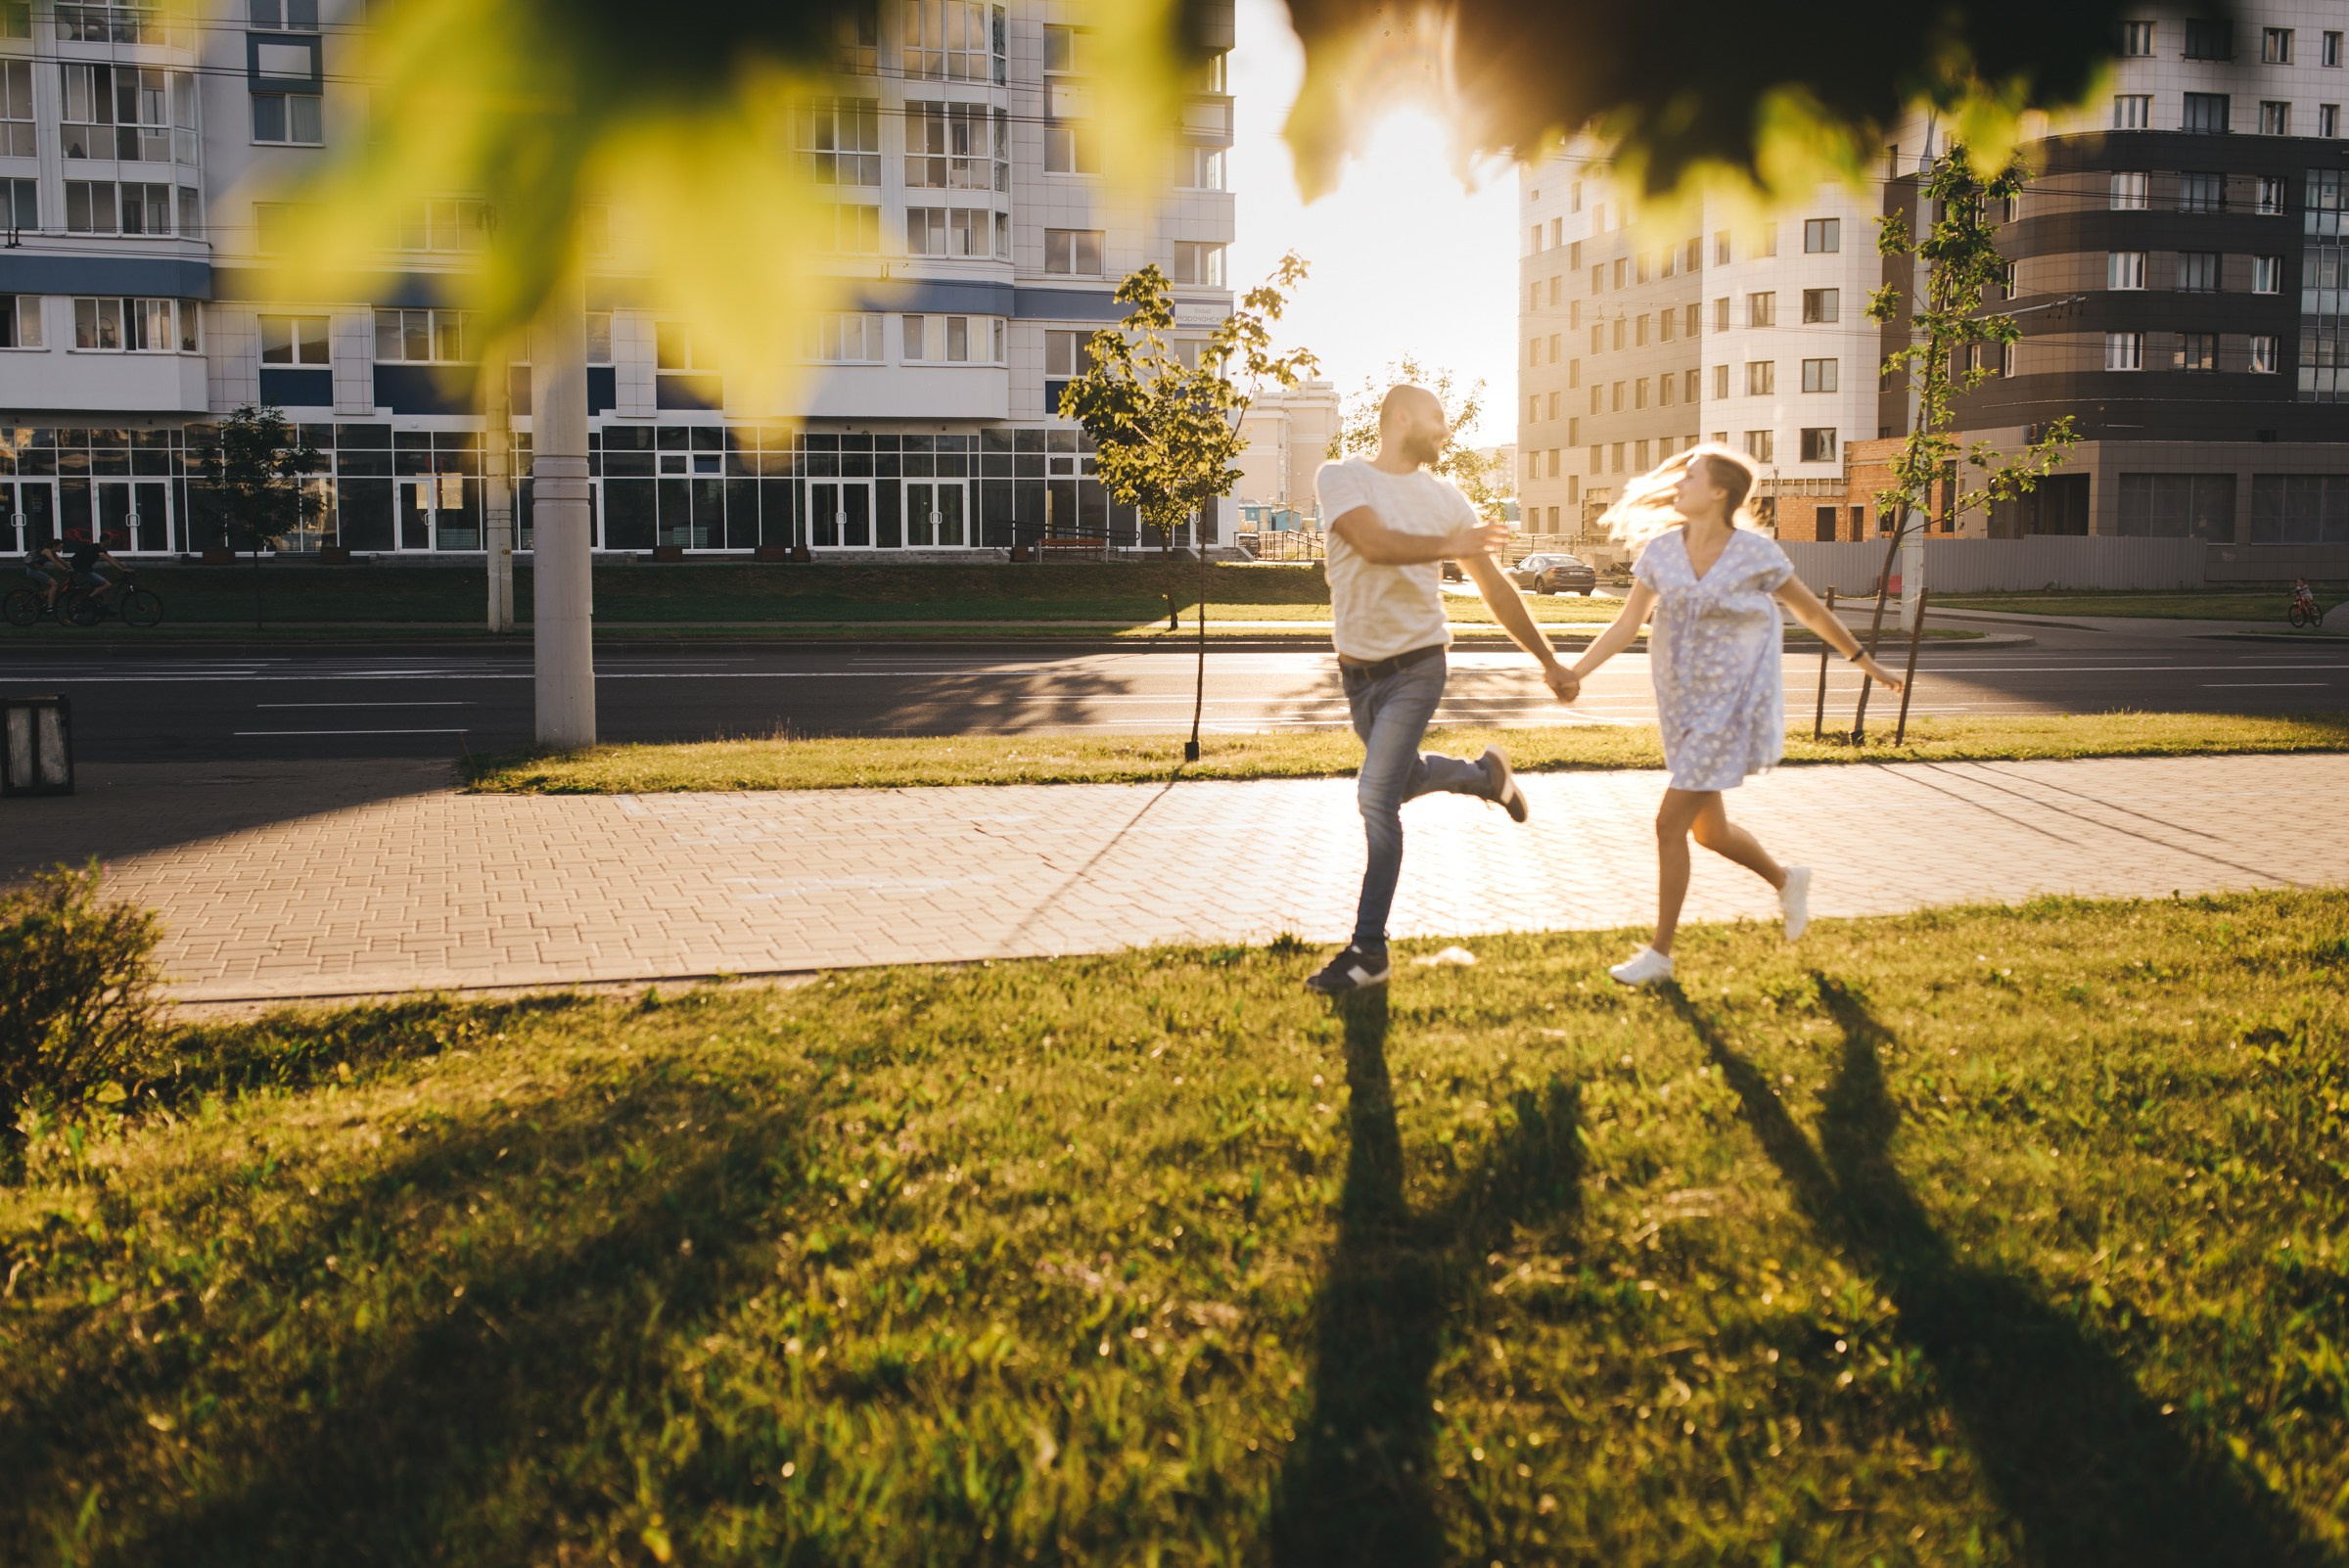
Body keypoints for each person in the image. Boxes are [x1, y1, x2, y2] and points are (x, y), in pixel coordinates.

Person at [1558, 445, 1904, 988]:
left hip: (1734, 706)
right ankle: (1787, 880)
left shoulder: (1753, 556)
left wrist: (1863, 660)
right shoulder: (1662, 552)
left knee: (1668, 824)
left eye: (1691, 476)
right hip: (1684, 709)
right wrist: (1576, 671)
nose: (1681, 483)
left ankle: (1661, 957)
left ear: (1719, 492)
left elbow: (1810, 609)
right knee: (1709, 833)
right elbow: (1628, 624)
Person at [1303, 384, 1580, 995]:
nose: (1446, 431)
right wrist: (1451, 545)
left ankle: (1368, 951)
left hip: (1419, 665)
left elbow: (1497, 587)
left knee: (1377, 798)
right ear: (1400, 418)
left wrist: (1550, 660)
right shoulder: (1342, 477)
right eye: (1436, 418)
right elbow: (1371, 544)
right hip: (1358, 675)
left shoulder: (1448, 498)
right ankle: (1485, 777)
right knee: (1397, 781)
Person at [65, 532, 122, 612]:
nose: (110, 542)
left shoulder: (99, 548)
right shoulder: (97, 549)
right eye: (110, 540)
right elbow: (109, 560)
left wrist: (125, 567)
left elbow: (112, 559)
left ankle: (99, 605)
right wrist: (122, 570)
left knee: (98, 587)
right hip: (84, 570)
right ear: (106, 540)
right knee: (107, 584)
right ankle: (86, 600)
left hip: (85, 569)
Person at [23, 538, 68, 613]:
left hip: (33, 570)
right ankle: (50, 607)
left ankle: (41, 598)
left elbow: (62, 560)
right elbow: (54, 561)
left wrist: (71, 568)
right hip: (33, 571)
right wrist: (65, 570)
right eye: (60, 547)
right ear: (54, 546)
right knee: (55, 585)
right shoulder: (47, 551)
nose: (61, 549)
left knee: (52, 587)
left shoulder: (53, 552)